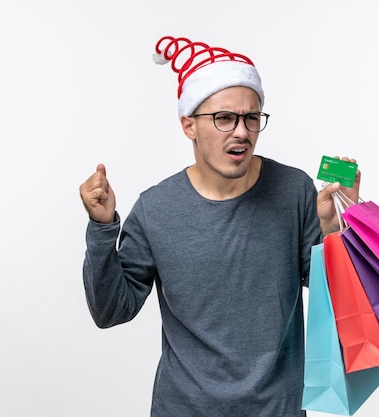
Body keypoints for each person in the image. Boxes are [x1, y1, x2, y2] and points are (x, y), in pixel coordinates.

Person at [79, 35, 361, 417]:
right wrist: (102, 229)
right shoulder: (155, 208)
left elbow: (340, 301)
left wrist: (338, 230)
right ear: (188, 125)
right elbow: (111, 311)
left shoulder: (293, 190)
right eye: (224, 118)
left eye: (250, 117)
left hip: (278, 409)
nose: (241, 132)